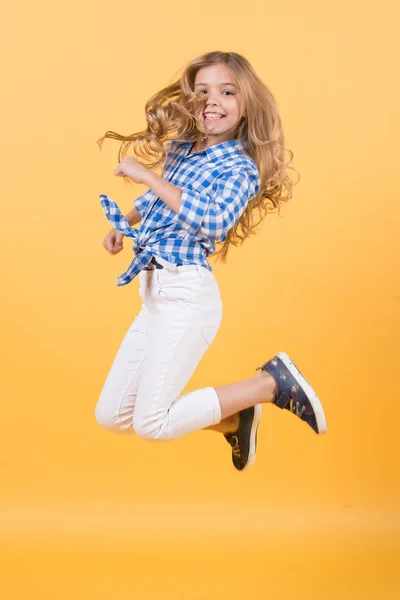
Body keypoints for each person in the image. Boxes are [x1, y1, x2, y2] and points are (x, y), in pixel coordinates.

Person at [94, 50, 328, 472]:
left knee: (152, 423)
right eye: (202, 91)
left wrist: (149, 175)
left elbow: (214, 220)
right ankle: (233, 419)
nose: (211, 100)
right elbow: (157, 199)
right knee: (111, 416)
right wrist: (124, 222)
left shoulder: (240, 168)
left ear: (246, 106)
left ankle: (267, 383)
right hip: (154, 295)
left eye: (226, 92)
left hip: (187, 297)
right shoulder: (185, 148)